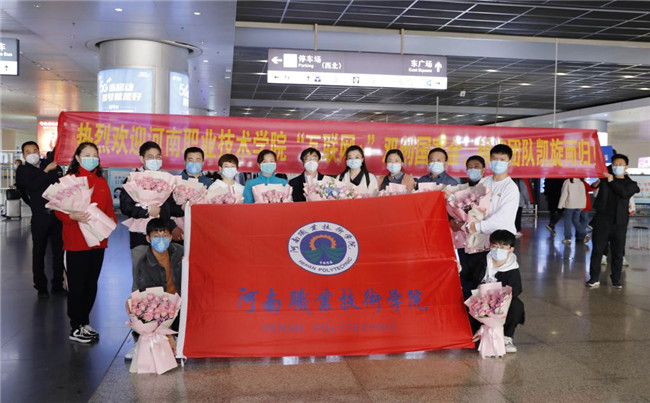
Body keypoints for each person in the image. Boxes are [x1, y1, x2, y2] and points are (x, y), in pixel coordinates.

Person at [54, 142, 117, 343]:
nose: (92, 158)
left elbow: (109, 209)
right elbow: (58, 210)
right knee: (77, 285)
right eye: (87, 155)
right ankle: (76, 326)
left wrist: (109, 222)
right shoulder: (68, 182)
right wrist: (71, 216)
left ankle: (84, 322)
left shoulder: (101, 182)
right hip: (76, 241)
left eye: (94, 155)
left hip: (98, 241)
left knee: (91, 284)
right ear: (78, 158)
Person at [120, 141, 182, 291]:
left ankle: (161, 305)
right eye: (150, 157)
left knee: (163, 275)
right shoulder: (132, 179)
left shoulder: (166, 180)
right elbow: (126, 207)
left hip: (161, 236)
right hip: (140, 236)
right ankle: (139, 305)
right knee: (140, 275)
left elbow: (170, 208)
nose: (155, 160)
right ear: (142, 159)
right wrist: (147, 211)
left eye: (158, 157)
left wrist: (185, 206)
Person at [462, 144, 520, 297]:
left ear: (509, 161)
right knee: (476, 280)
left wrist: (476, 226)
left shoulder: (510, 188)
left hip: (499, 244)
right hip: (479, 242)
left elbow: (502, 218)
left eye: (502, 159)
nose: (498, 162)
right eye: (495, 159)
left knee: (497, 286)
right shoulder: (484, 182)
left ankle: (495, 310)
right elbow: (472, 206)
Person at [15, 141, 65, 298]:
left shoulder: (49, 164)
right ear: (24, 155)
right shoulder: (23, 170)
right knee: (39, 252)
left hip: (57, 215)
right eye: (28, 152)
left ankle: (58, 284)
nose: (32, 154)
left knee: (59, 252)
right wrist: (45, 172)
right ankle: (41, 286)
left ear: (39, 151)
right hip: (40, 217)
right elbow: (31, 187)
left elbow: (59, 184)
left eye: (34, 150)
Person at [586, 154, 639, 289]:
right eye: (615, 164)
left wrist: (611, 181)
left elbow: (624, 193)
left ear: (626, 167)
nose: (617, 166)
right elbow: (594, 183)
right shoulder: (605, 180)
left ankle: (616, 279)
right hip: (602, 221)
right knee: (597, 250)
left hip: (619, 223)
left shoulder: (631, 184)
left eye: (620, 164)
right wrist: (602, 178)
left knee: (617, 252)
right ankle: (594, 278)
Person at [470, 230, 525, 354]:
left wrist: (497, 300)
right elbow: (465, 275)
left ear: (511, 249)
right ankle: (477, 330)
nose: (498, 250)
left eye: (503, 247)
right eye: (495, 246)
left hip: (498, 303)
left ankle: (507, 337)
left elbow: (515, 290)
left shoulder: (512, 268)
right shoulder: (480, 259)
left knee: (517, 305)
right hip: (476, 300)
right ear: (490, 246)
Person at [558, 178, 589, 244]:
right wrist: (583, 205)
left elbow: (564, 194)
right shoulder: (581, 181)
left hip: (570, 205)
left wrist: (560, 205)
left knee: (567, 221)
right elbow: (583, 194)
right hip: (579, 205)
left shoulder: (567, 181)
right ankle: (584, 234)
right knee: (576, 220)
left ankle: (568, 238)